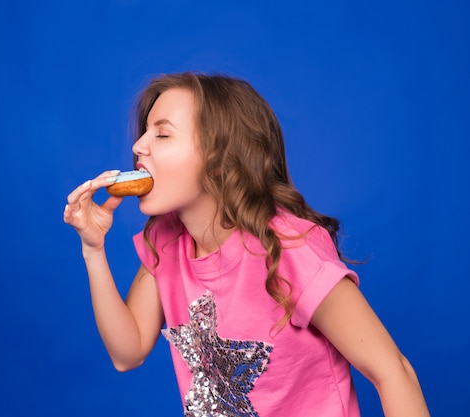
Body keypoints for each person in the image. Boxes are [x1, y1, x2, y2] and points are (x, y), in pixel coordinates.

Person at [63, 72, 429, 416]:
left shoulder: (288, 248)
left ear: (219, 160)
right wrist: (93, 249)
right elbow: (127, 353)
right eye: (144, 132)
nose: (138, 145)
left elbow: (394, 372)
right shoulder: (166, 240)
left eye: (162, 135)